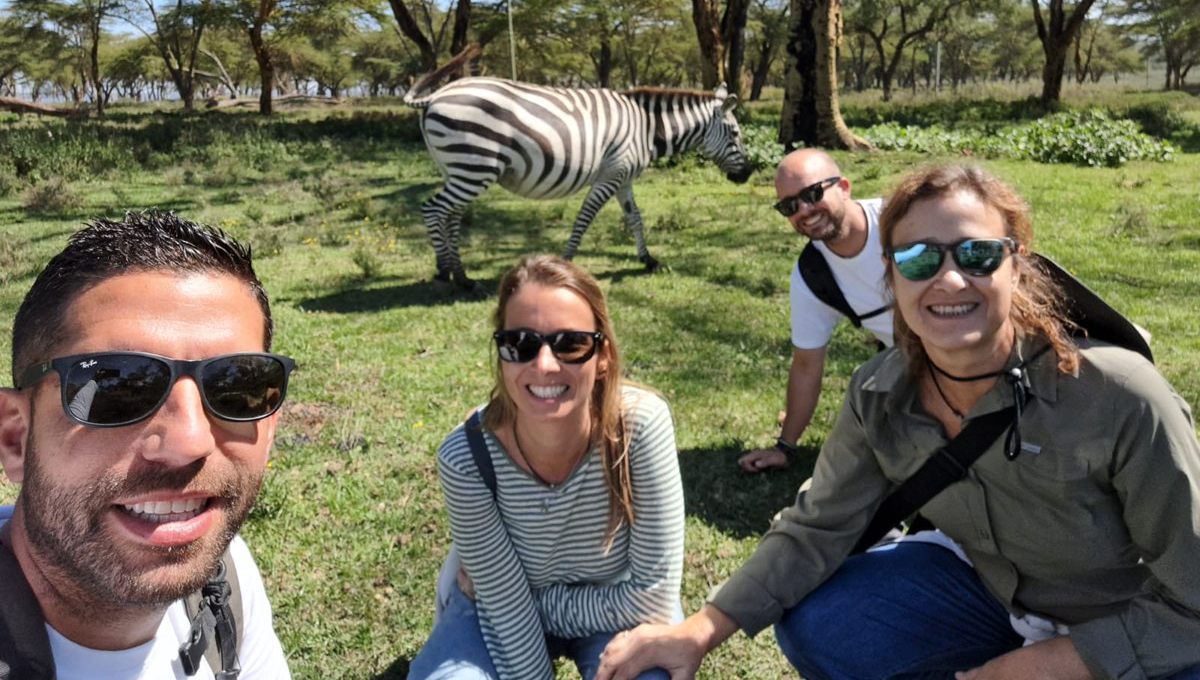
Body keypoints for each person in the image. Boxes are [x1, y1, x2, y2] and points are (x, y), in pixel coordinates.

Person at [599, 163, 1200, 680]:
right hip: (994, 598)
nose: (949, 278)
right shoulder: (880, 391)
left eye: (977, 253)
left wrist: (1050, 664)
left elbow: (1194, 603)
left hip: (1135, 618)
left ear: (1016, 265)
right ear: (890, 275)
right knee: (819, 620)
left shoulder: (1119, 393)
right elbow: (819, 527)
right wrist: (700, 630)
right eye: (917, 258)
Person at [0, 210, 293, 679]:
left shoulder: (223, 579)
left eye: (237, 386)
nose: (189, 442)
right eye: (116, 389)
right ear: (15, 438)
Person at [410, 254, 685, 680]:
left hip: (610, 605)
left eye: (570, 343)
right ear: (501, 353)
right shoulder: (466, 457)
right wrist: (507, 605)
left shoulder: (639, 427)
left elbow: (652, 599)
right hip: (496, 618)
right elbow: (506, 616)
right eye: (520, 343)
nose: (544, 365)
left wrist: (528, 603)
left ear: (604, 354)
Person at [739, 148, 893, 473]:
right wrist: (785, 446)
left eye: (812, 193)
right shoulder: (814, 275)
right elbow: (807, 365)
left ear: (845, 187)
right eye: (789, 206)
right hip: (913, 364)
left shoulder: (899, 219)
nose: (805, 211)